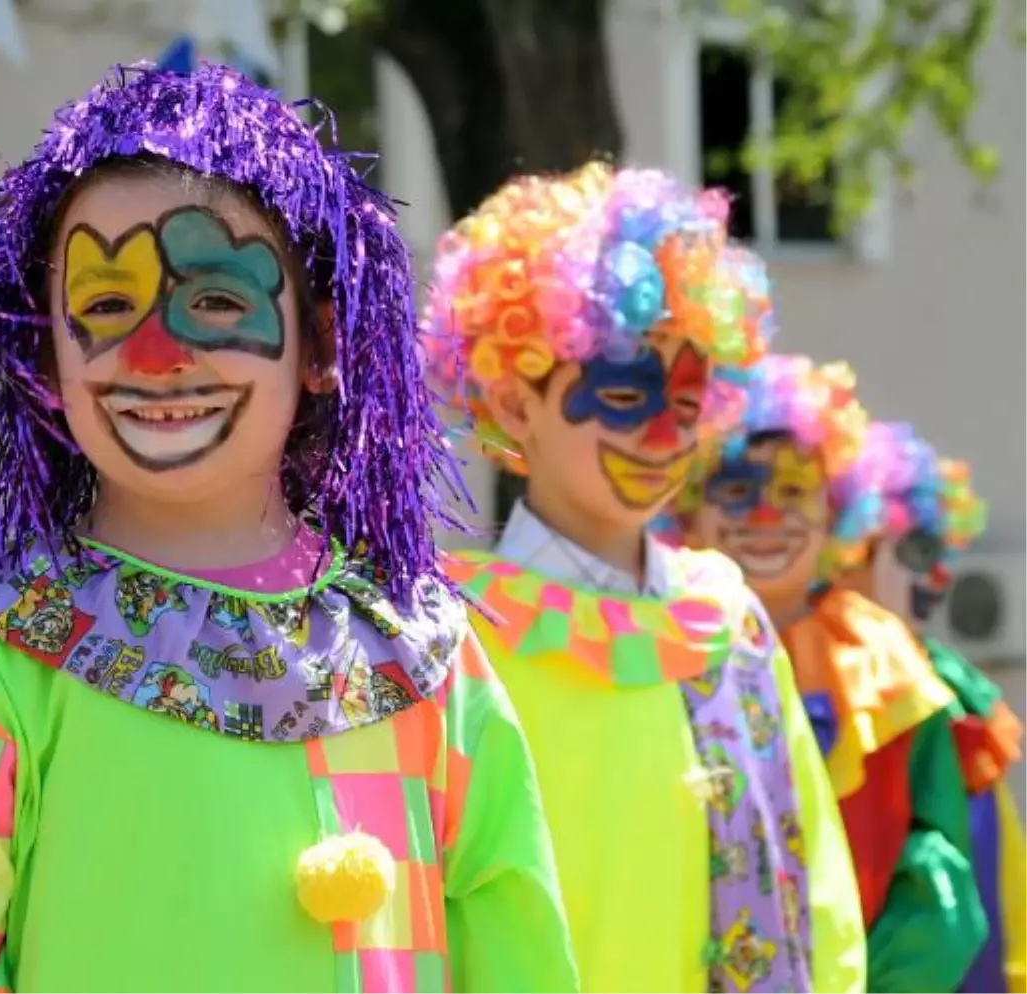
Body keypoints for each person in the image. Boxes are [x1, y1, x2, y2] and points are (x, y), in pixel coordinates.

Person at [0, 63, 579, 994]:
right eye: (105, 305)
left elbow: (516, 958)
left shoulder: (421, 655)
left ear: (324, 344)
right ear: (46, 356)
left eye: (217, 300)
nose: (154, 354)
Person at [422, 164, 865, 993]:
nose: (664, 436)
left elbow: (820, 887)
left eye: (689, 402)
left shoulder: (728, 617)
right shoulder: (454, 635)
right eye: (624, 393)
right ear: (516, 405)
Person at [672, 354, 989, 992]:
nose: (765, 516)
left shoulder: (884, 664)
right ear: (686, 507)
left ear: (836, 512)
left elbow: (937, 880)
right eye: (736, 490)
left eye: (793, 491)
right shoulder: (648, 639)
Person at [843, 422, 1027, 993]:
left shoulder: (958, 697)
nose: (939, 575)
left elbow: (1005, 894)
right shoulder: (822, 697)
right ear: (848, 550)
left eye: (944, 552)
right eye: (919, 550)